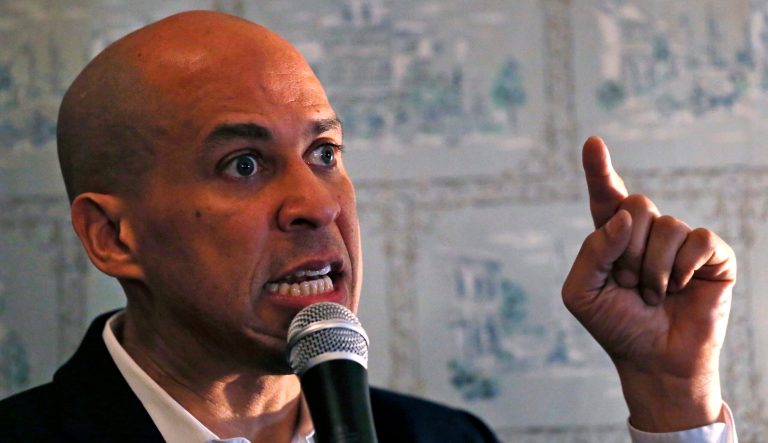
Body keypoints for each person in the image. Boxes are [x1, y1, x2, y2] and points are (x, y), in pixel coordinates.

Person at [0, 10, 736, 443]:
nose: (317, 204)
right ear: (112, 237)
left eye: (324, 152)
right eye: (244, 165)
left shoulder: (448, 440)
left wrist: (673, 397)